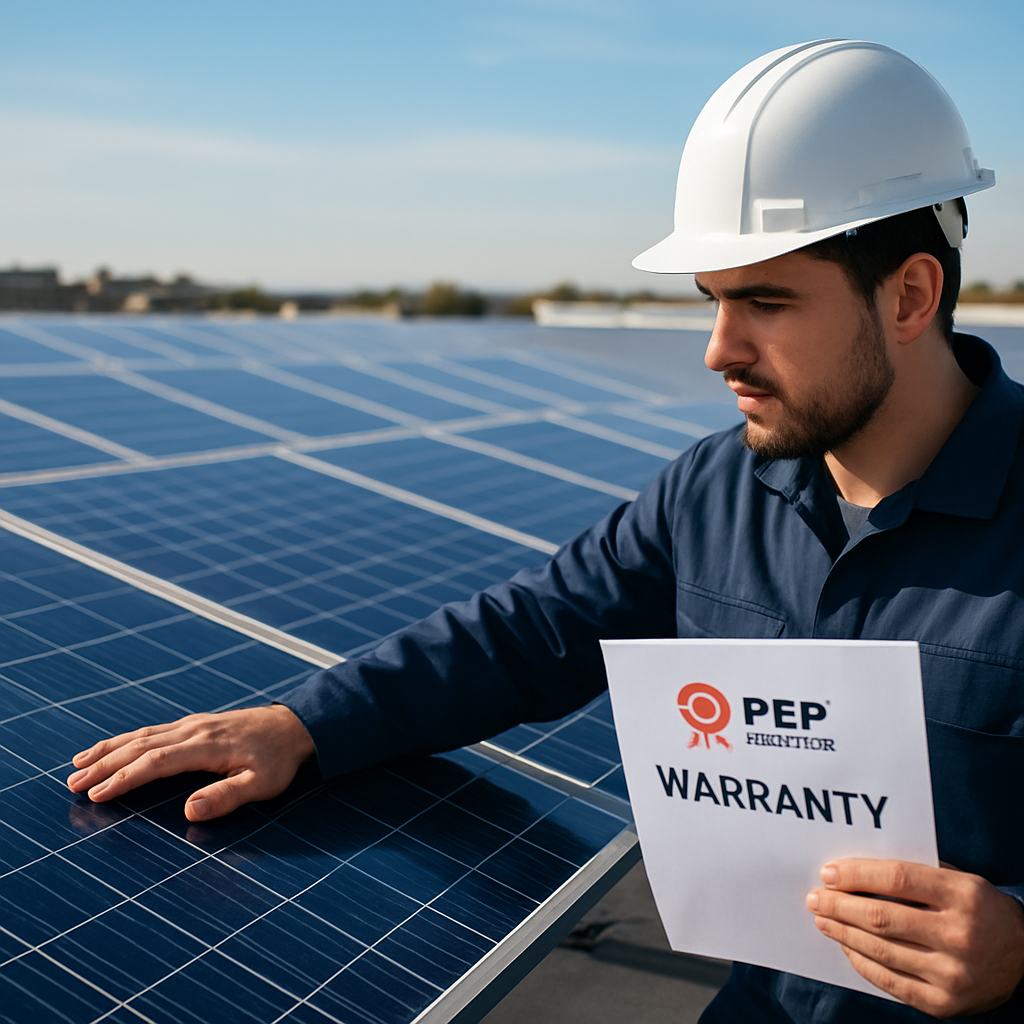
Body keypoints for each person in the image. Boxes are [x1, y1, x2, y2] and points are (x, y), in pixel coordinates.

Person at [66, 40, 1023, 1021]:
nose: (716, 349)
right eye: (713, 301)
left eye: (765, 302)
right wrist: (306, 724)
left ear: (908, 295)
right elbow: (531, 631)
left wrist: (1021, 948)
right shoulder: (716, 490)